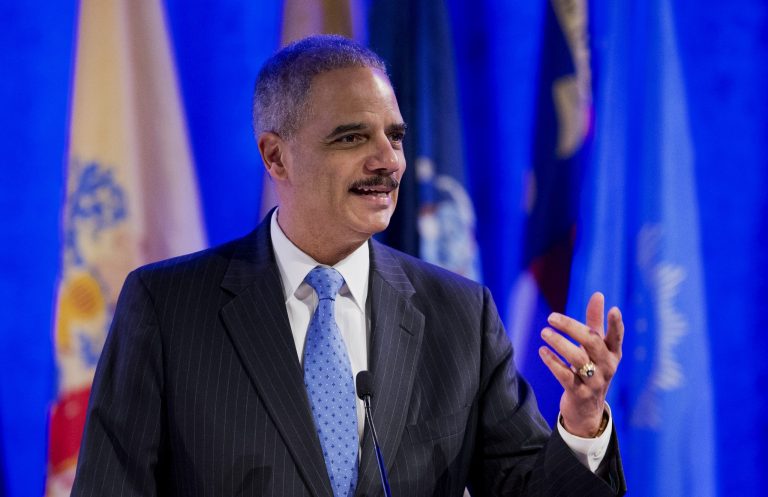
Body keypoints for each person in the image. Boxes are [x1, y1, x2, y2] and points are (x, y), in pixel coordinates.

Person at [72, 35, 626, 497]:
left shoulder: (460, 314)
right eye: (353, 137)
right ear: (275, 155)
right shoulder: (168, 308)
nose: (387, 160)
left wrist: (581, 423)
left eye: (395, 136)